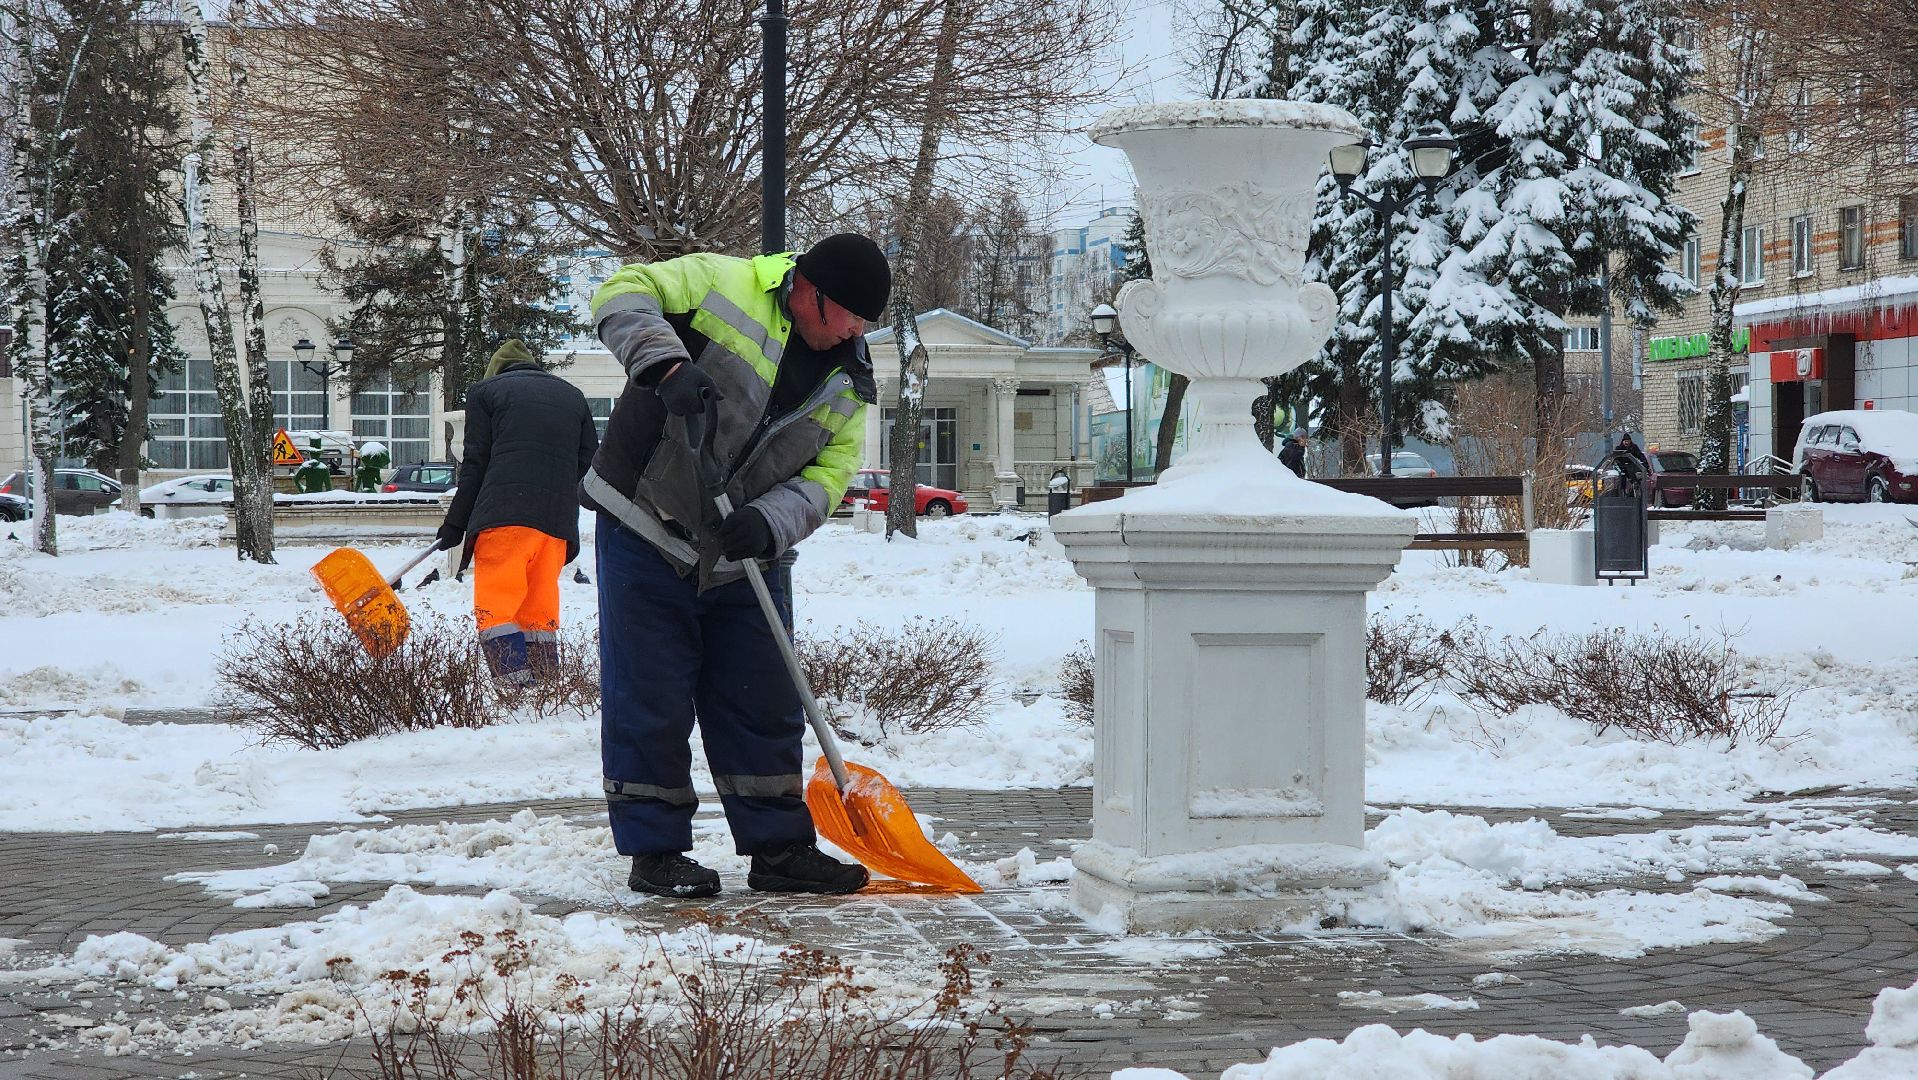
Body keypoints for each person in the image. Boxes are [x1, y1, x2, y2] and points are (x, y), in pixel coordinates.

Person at [584, 234, 888, 899]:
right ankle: (655, 850)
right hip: (647, 520)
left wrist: (771, 520)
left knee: (763, 697)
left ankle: (779, 848)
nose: (856, 332)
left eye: (866, 323)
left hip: (746, 548)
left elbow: (829, 478)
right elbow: (620, 292)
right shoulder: (724, 283)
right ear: (810, 292)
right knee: (652, 691)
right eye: (850, 316)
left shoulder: (849, 381)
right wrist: (665, 364)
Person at [437, 339, 598, 685]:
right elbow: (588, 460)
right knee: (539, 610)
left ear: (496, 371)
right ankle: (542, 689)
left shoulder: (485, 393)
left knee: (497, 605)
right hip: (555, 525)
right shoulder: (572, 396)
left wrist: (455, 523)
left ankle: (513, 688)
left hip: (505, 519)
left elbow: (475, 463)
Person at [1609, 431, 1650, 497]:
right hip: (1622, 466)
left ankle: (1635, 487)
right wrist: (1619, 465)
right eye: (1625, 441)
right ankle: (1622, 492)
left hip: (1631, 465)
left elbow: (1640, 455)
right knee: (1622, 477)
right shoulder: (1619, 448)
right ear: (1622, 442)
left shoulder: (1634, 447)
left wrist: (1645, 464)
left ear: (1630, 441)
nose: (1627, 443)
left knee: (1635, 475)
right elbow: (1615, 459)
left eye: (1628, 441)